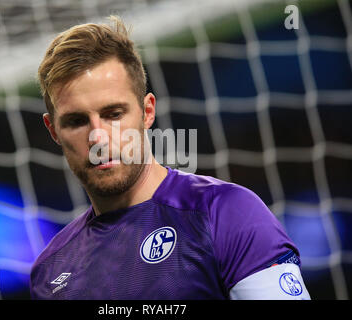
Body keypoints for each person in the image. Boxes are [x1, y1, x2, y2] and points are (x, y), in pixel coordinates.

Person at [30, 16, 310, 300]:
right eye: (76, 121)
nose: (98, 138)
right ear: (53, 130)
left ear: (147, 112)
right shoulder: (51, 270)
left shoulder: (227, 214)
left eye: (113, 114)